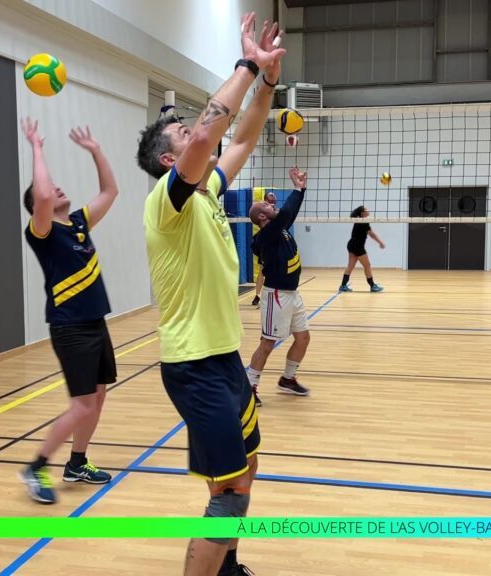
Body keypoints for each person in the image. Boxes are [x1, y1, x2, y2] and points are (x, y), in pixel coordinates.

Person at [136, 12, 284, 576]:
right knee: (228, 494)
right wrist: (246, 63)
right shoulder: (166, 204)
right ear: (171, 161)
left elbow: (242, 133)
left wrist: (267, 80)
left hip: (223, 358)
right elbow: (209, 132)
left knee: (244, 471)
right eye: (185, 137)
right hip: (194, 365)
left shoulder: (208, 190)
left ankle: (226, 566)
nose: (204, 135)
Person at [17, 119, 119, 504]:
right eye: (51, 188)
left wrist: (95, 150)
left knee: (98, 395)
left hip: (96, 323)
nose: (57, 189)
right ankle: (36, 466)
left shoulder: (78, 223)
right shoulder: (41, 230)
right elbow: (41, 196)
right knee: (81, 405)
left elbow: (110, 190)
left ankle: (77, 462)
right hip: (70, 328)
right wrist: (37, 148)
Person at [246, 167, 311, 407]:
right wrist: (296, 187)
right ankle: (248, 387)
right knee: (267, 342)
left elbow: (289, 213)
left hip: (293, 295)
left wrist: (301, 189)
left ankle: (287, 378)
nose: (271, 205)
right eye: (266, 206)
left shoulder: (279, 229)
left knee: (303, 338)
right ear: (261, 217)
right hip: (277, 296)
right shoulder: (267, 235)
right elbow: (285, 213)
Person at [339, 205, 385, 292]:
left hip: (351, 245)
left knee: (350, 266)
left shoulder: (359, 221)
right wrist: (380, 242)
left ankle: (343, 285)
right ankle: (372, 286)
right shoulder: (364, 222)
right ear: (362, 213)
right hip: (357, 247)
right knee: (367, 265)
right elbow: (372, 235)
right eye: (366, 210)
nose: (368, 211)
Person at [251, 191, 278, 307]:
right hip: (265, 243)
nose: (273, 197)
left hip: (274, 242)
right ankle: (258, 295)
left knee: (272, 269)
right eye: (271, 195)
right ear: (265, 198)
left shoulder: (273, 209)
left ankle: (267, 296)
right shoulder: (263, 209)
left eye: (273, 196)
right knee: (263, 269)